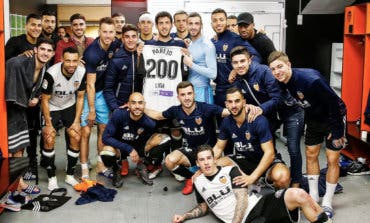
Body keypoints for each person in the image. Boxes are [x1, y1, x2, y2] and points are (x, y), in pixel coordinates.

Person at [268, 51, 347, 218]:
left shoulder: (310, 80)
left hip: (333, 118)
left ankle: (327, 201)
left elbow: (335, 103)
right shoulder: (282, 81)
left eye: (280, 66)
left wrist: (337, 130)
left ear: (288, 64)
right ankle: (313, 195)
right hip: (313, 118)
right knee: (311, 154)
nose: (277, 72)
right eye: (273, 69)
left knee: (332, 159)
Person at [172, 145, 332, 223]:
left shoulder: (229, 171)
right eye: (202, 160)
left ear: (214, 159)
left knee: (299, 194)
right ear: (197, 163)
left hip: (260, 205)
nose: (206, 163)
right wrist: (185, 216)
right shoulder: (198, 182)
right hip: (249, 221)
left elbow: (242, 198)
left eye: (208, 158)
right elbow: (203, 206)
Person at [145, 81, 229, 195]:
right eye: (183, 95)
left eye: (189, 93)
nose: (187, 97)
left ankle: (203, 174)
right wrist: (140, 107)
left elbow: (226, 112)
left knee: (214, 181)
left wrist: (248, 108)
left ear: (194, 94)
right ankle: (191, 178)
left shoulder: (205, 108)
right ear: (178, 97)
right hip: (192, 150)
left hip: (208, 150)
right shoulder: (175, 110)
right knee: (169, 161)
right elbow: (157, 115)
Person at [213, 87, 291, 189]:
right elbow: (218, 148)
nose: (233, 105)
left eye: (237, 101)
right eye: (230, 102)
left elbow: (270, 153)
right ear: (226, 104)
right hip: (244, 160)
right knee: (213, 166)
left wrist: (252, 177)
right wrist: (205, 165)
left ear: (244, 102)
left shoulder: (258, 120)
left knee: (283, 177)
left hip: (266, 161)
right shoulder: (226, 122)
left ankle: (262, 183)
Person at [5, 38, 55, 194]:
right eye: (42, 49)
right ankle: (16, 185)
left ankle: (18, 183)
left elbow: (37, 88)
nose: (45, 53)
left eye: (48, 50)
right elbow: (12, 63)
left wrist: (36, 96)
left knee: (19, 147)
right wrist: (25, 101)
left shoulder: (44, 68)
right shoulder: (20, 62)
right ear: (35, 50)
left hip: (21, 110)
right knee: (14, 148)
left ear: (53, 54)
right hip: (11, 108)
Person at [80, 17, 120, 179]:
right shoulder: (91, 53)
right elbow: (90, 85)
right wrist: (91, 109)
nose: (108, 35)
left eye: (111, 32)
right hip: (88, 92)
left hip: (104, 92)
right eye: (105, 32)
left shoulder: (116, 44)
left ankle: (100, 165)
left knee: (103, 130)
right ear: (99, 32)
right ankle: (83, 167)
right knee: (86, 131)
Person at [40, 47, 85, 190]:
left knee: (76, 135)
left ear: (78, 60)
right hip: (52, 106)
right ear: (61, 60)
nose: (71, 64)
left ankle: (70, 175)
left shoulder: (81, 72)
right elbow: (45, 100)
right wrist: (48, 124)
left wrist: (77, 121)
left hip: (69, 105)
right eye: (68, 61)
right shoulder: (51, 73)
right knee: (49, 137)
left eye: (74, 61)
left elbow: (80, 97)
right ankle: (52, 177)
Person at [210, 8, 261, 121]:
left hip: (234, 88)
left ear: (226, 21)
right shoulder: (212, 41)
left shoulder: (235, 39)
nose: (218, 23)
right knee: (222, 124)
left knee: (237, 124)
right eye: (215, 20)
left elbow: (256, 57)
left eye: (221, 20)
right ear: (211, 23)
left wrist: (235, 70)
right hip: (219, 90)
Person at [104, 24, 140, 176]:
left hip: (140, 105)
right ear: (122, 38)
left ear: (138, 37)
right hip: (122, 105)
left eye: (133, 36)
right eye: (127, 37)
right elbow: (108, 88)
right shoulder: (116, 59)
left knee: (141, 133)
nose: (130, 40)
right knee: (120, 135)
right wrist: (115, 108)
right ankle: (123, 161)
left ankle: (142, 163)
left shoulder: (143, 55)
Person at [101, 92, 156, 187]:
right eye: (133, 103)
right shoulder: (119, 114)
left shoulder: (150, 122)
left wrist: (141, 156)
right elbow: (105, 137)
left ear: (144, 105)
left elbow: (148, 141)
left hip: (139, 148)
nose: (137, 106)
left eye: (140, 103)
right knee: (107, 152)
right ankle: (116, 169)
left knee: (162, 140)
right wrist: (129, 149)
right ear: (128, 105)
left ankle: (141, 166)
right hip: (121, 148)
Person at [184, 12, 217, 104]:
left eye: (196, 23)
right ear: (186, 25)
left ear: (201, 25)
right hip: (189, 91)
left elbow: (213, 74)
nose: (193, 27)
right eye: (190, 23)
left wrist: (191, 64)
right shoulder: (189, 44)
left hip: (203, 91)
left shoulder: (207, 45)